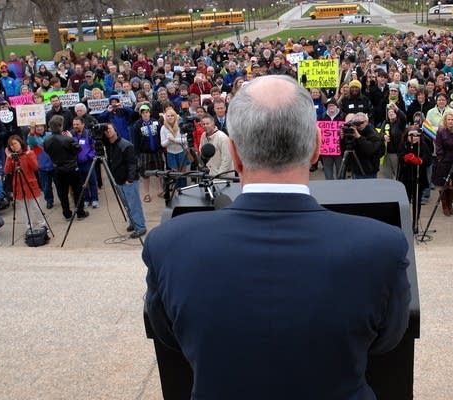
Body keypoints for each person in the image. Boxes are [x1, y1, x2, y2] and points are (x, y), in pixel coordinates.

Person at [142, 75, 411, 399]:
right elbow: (388, 339)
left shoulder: (168, 247)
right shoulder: (382, 248)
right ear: (315, 148)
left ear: (236, 156)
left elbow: (169, 335)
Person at [103, 123, 146, 238]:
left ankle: (140, 227)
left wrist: (130, 179)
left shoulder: (126, 145)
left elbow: (133, 163)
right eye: (106, 130)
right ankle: (133, 222)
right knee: (127, 205)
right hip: (118, 180)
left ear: (115, 130)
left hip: (128, 181)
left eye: (110, 129)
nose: (108, 131)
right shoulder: (108, 145)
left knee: (134, 205)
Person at [43, 115, 89, 221]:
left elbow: (47, 151)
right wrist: (71, 138)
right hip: (71, 168)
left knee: (62, 193)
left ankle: (67, 214)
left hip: (57, 168)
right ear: (60, 126)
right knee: (77, 190)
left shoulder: (47, 140)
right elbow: (78, 149)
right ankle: (80, 212)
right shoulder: (67, 139)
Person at [3, 135, 46, 229]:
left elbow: (35, 167)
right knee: (24, 210)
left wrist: (28, 154)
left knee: (36, 207)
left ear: (20, 143)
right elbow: (6, 171)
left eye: (15, 143)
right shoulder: (11, 157)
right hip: (18, 186)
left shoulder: (29, 153)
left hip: (30, 185)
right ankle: (29, 227)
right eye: (11, 145)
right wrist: (9, 158)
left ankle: (42, 225)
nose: (13, 146)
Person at [398, 128, 432, 233]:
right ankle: (405, 222)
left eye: (416, 135)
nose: (414, 138)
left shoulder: (423, 146)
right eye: (411, 135)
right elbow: (399, 157)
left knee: (417, 202)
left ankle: (415, 223)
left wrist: (419, 160)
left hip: (419, 179)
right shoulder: (403, 145)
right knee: (405, 202)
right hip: (406, 178)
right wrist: (405, 158)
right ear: (407, 136)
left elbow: (428, 160)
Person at [131, 104, 164, 202]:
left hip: (157, 151)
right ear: (140, 114)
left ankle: (160, 190)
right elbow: (135, 140)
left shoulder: (155, 122)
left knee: (159, 172)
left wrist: (161, 148)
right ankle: (146, 193)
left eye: (147, 112)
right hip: (144, 153)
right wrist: (137, 154)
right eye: (143, 113)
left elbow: (160, 135)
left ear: (149, 112)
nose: (145, 114)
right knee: (145, 174)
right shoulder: (137, 125)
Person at [433, 110, 453, 216]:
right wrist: (440, 159)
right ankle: (444, 206)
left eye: (452, 120)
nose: (450, 121)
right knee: (443, 185)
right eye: (448, 119)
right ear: (445, 121)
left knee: (452, 185)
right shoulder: (441, 131)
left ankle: (450, 205)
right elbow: (439, 146)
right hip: (444, 160)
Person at [340, 112, 383, 179]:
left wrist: (359, 137)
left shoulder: (373, 133)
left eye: (361, 122)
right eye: (357, 123)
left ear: (367, 121)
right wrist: (342, 139)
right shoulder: (354, 131)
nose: (359, 125)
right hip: (356, 169)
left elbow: (370, 150)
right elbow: (344, 151)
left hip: (368, 171)